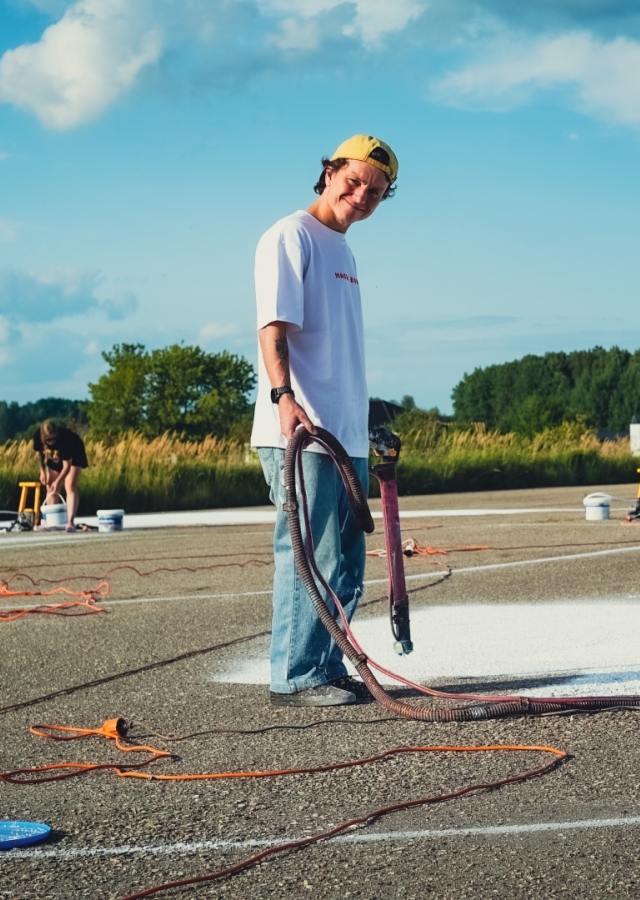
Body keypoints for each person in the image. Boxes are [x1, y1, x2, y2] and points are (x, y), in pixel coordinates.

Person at [252, 134, 398, 707]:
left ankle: (325, 663)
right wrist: (283, 396)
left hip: (347, 432)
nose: (362, 195)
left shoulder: (345, 250)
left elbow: (339, 348)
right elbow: (274, 327)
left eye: (377, 191)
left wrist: (369, 417)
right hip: (303, 430)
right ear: (330, 171)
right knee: (307, 553)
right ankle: (296, 674)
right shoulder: (291, 235)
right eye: (354, 181)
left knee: (348, 559)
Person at [34, 421, 88, 532]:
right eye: (48, 440)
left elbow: (66, 467)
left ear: (57, 435)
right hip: (56, 456)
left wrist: (58, 481)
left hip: (75, 452)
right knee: (50, 485)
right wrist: (42, 471)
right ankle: (52, 521)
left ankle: (70, 522)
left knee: (70, 485)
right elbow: (39, 454)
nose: (52, 442)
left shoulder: (65, 439)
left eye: (54, 439)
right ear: (43, 437)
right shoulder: (37, 436)